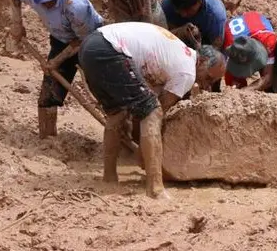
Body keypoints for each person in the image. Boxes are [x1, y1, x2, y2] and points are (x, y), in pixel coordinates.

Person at [78, 22, 227, 199]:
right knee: (152, 112)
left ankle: (109, 177)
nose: (206, 85)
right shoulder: (187, 71)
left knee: (116, 113)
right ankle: (155, 188)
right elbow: (159, 107)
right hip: (111, 48)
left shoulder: (176, 53)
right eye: (208, 77)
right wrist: (142, 150)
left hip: (90, 46)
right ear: (201, 61)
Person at [9, 0, 104, 138]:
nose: (46, 3)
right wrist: (17, 23)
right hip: (61, 41)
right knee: (48, 94)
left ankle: (121, 135)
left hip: (92, 42)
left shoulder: (75, 5)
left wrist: (57, 60)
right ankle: (47, 139)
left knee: (104, 92)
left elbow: (82, 40)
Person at [160, 0, 228, 49]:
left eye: (188, 10)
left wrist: (198, 46)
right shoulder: (168, 3)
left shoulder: (215, 16)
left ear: (199, 1)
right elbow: (164, 35)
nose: (183, 15)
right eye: (179, 10)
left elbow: (215, 49)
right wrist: (181, 31)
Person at [221, 11, 277, 89]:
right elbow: (234, 88)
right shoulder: (230, 59)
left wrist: (247, 89)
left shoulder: (269, 40)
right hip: (241, 29)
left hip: (254, 22)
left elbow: (268, 79)